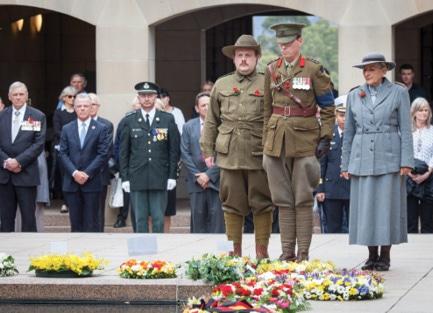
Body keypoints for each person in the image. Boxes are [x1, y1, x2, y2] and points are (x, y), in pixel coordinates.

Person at [262, 23, 335, 261]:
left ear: (299, 42)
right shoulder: (272, 69)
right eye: (280, 44)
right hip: (276, 140)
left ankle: (303, 253)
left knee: (302, 198)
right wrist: (266, 142)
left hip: (305, 141)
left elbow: (327, 107)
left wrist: (325, 137)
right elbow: (266, 109)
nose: (284, 48)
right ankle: (286, 253)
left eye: (288, 44)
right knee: (282, 199)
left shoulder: (314, 70)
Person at [200, 34, 274, 259]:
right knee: (231, 204)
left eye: (248, 55)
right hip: (229, 153)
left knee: (262, 203)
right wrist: (207, 149)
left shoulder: (268, 81)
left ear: (257, 57)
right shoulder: (222, 84)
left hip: (259, 152)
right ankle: (234, 253)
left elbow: (274, 118)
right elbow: (212, 119)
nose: (243, 59)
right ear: (233, 59)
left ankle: (262, 253)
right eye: (239, 55)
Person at [341, 52, 414, 271]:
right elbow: (349, 132)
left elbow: (406, 130)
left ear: (384, 70)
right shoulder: (355, 95)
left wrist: (406, 160)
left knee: (387, 208)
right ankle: (371, 255)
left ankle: (385, 256)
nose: (367, 73)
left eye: (371, 68)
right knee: (365, 209)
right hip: (361, 157)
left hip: (389, 156)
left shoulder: (398, 92)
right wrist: (345, 164)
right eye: (365, 69)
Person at [119, 82, 180, 233]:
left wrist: (172, 175)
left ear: (155, 97)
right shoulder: (130, 120)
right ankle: (142, 254)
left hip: (159, 176)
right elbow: (124, 152)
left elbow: (173, 150)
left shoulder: (167, 119)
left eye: (150, 95)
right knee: (140, 218)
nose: (146, 98)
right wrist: (125, 177)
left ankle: (158, 254)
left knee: (158, 218)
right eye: (143, 95)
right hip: (137, 176)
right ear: (138, 98)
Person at [59, 93, 110, 232]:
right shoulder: (67, 128)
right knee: (75, 224)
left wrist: (87, 173)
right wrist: (75, 173)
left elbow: (102, 154)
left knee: (91, 223)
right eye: (79, 106)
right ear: (74, 108)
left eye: (85, 106)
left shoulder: (101, 128)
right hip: (71, 183)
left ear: (91, 107)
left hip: (92, 183)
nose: (82, 108)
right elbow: (62, 153)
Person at [0, 81, 46, 232]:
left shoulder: (37, 116)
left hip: (26, 174)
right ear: (9, 97)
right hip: (5, 176)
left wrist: (19, 162)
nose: (18, 97)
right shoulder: (2, 115)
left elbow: (38, 144)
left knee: (28, 219)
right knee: (6, 219)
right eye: (15, 94)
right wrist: (7, 162)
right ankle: (5, 254)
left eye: (21, 94)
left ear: (26, 95)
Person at [181, 92, 224, 233]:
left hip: (216, 180)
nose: (206, 107)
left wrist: (209, 175)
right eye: (203, 105)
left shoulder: (223, 125)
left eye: (209, 104)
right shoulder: (188, 126)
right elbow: (185, 153)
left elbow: (224, 153)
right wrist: (198, 176)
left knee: (217, 222)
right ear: (197, 108)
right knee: (198, 221)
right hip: (196, 181)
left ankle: (219, 255)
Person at [316, 95, 350, 233]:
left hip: (351, 188)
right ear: (336, 115)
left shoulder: (355, 135)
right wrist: (320, 188)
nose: (344, 119)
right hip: (332, 189)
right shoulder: (328, 135)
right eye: (341, 115)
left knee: (353, 229)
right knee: (332, 228)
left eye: (347, 115)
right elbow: (321, 165)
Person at [159, 88, 185, 232]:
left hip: (167, 168)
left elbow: (171, 147)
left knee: (167, 208)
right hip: (150, 172)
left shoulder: (170, 119)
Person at [112, 97, 140, 230]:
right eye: (137, 104)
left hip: (144, 165)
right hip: (128, 165)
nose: (139, 106)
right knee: (127, 194)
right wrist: (120, 165)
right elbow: (118, 145)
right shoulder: (126, 121)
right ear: (133, 106)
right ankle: (121, 217)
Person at [406, 97, 433, 233]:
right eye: (420, 110)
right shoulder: (406, 131)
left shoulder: (432, 131)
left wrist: (428, 172)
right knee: (410, 220)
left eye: (426, 110)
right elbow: (402, 151)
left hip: (429, 177)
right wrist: (409, 172)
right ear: (414, 112)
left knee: (428, 220)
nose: (424, 113)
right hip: (409, 176)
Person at [88, 93, 114, 232]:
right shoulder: (73, 125)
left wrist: (89, 170)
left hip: (99, 174)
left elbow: (106, 150)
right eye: (88, 104)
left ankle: (98, 236)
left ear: (98, 107)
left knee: (98, 210)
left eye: (93, 104)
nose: (90, 107)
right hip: (78, 175)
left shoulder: (106, 125)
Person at [52, 86, 78, 213]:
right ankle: (65, 202)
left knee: (76, 174)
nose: (72, 99)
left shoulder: (78, 111)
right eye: (69, 96)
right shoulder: (58, 113)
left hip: (77, 148)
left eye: (74, 96)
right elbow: (57, 131)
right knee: (64, 176)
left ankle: (74, 202)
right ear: (63, 98)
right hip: (63, 148)